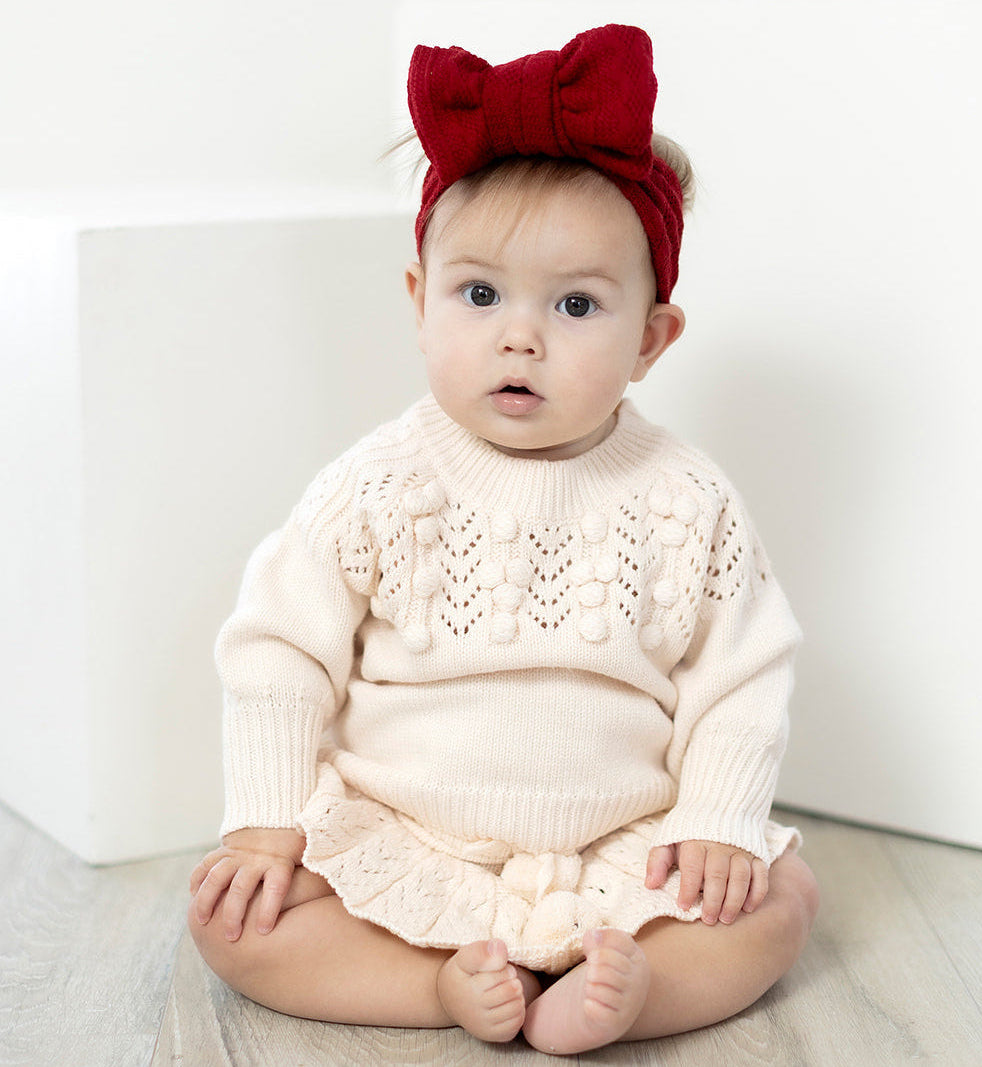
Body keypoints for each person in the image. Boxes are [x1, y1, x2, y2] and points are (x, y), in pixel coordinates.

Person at [188, 24, 819, 1056]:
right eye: (478, 294)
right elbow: (276, 648)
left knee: (781, 894)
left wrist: (714, 819)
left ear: (650, 338)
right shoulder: (377, 484)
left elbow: (740, 671)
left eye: (575, 304)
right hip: (407, 833)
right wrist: (264, 819)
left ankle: (633, 987)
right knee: (237, 919)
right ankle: (433, 983)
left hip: (623, 846)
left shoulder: (684, 495)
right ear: (419, 303)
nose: (518, 335)